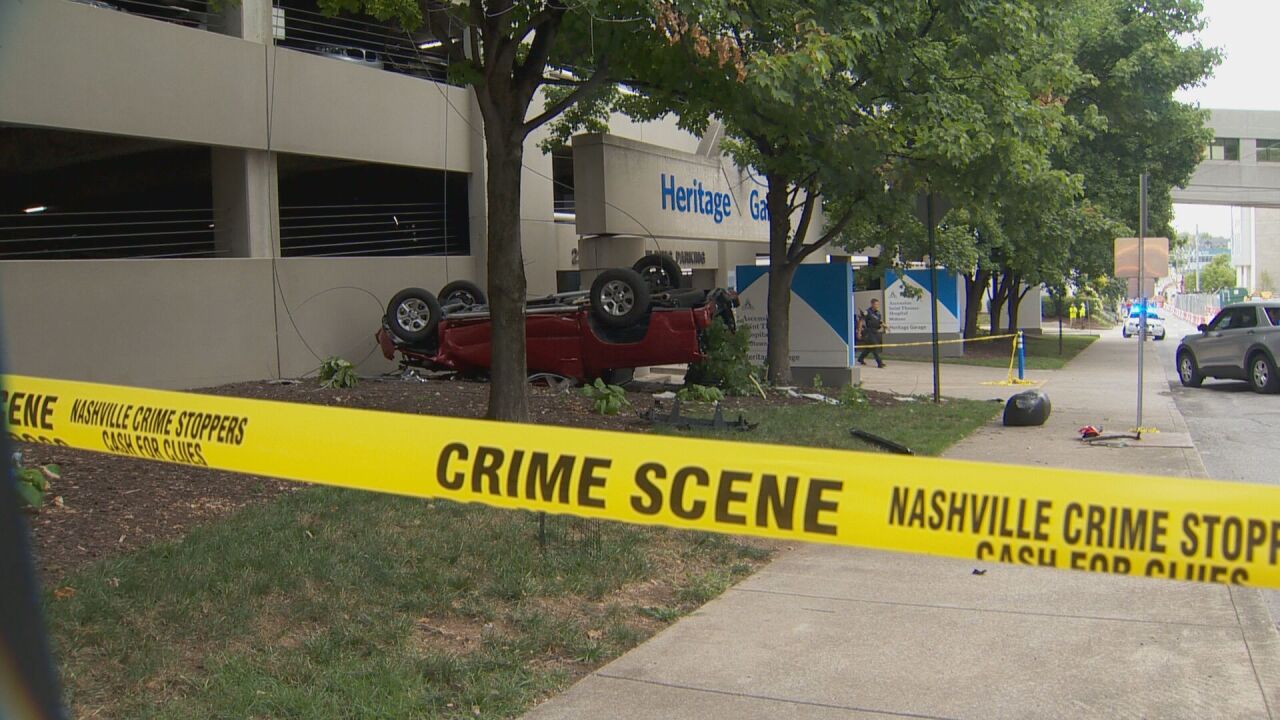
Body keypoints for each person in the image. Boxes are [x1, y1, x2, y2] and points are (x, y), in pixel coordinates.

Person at [857, 298, 887, 368]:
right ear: (872, 304)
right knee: (874, 346)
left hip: (875, 332)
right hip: (869, 332)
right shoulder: (867, 312)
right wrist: (859, 332)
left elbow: (880, 321)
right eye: (876, 304)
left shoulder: (878, 313)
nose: (877, 305)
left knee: (868, 348)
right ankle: (880, 363)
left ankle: (860, 358)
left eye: (878, 304)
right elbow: (861, 321)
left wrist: (884, 325)